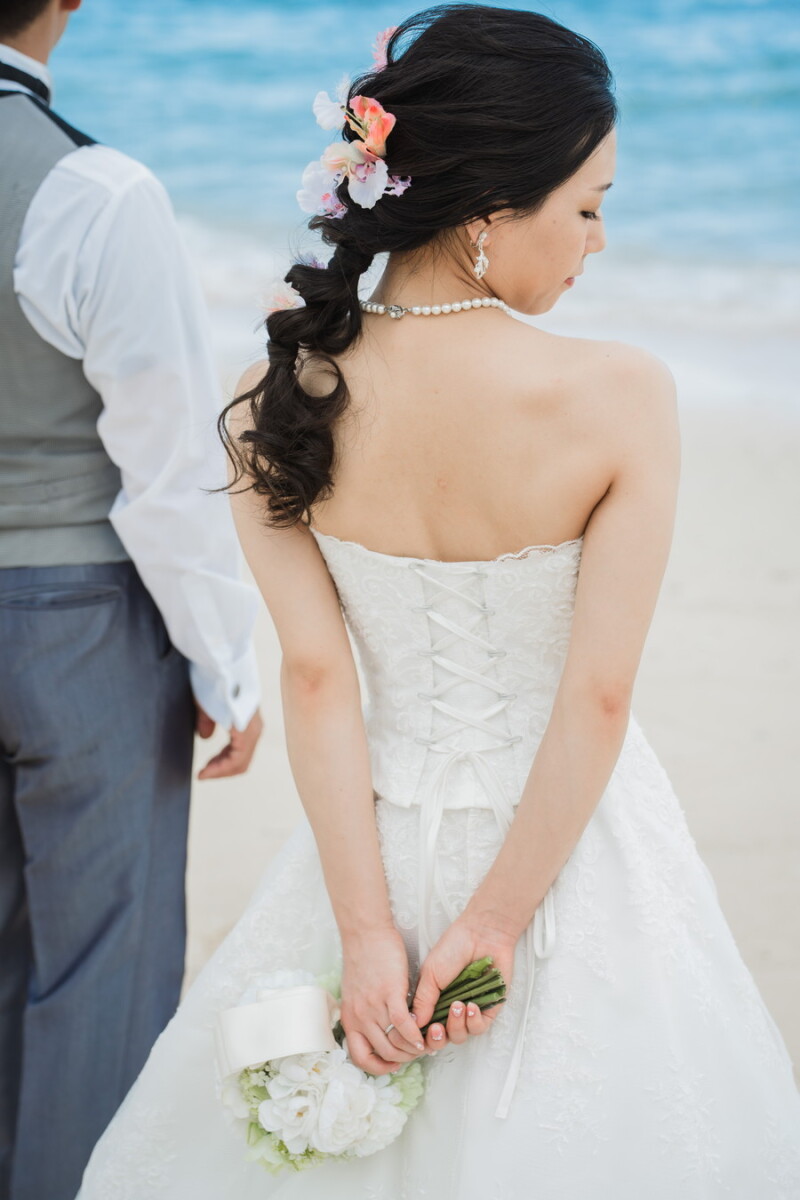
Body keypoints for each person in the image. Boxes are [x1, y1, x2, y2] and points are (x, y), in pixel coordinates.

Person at [77, 5, 800, 1197]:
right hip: (569, 852)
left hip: (371, 847)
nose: (598, 241)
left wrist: (368, 935)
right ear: (486, 213)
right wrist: (495, 926)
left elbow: (318, 681)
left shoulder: (274, 397)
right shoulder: (619, 396)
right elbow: (596, 696)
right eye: (586, 207)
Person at [0, 2, 265, 1198]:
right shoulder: (94, 192)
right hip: (78, 626)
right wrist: (223, 662)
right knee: (100, 978)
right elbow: (166, 467)